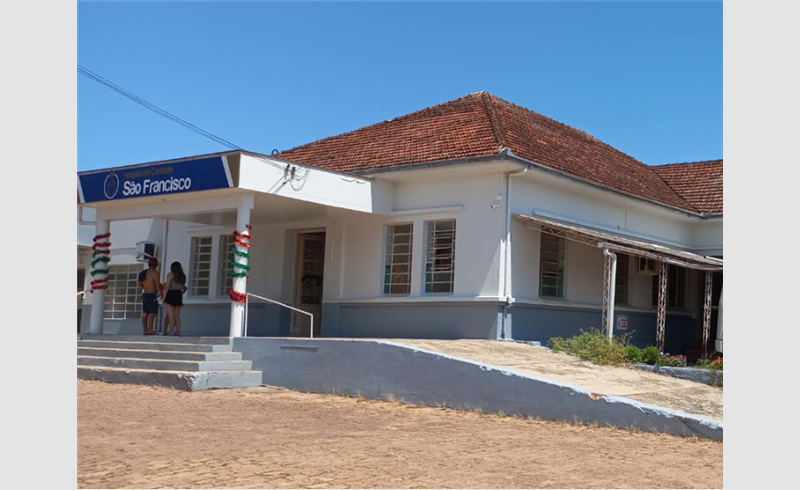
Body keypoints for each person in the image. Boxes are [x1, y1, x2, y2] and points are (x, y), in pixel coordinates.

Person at [137, 257, 162, 335]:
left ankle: (145, 330)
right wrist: (160, 292)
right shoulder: (155, 273)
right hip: (152, 294)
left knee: (145, 313)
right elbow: (157, 284)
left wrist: (144, 287)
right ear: (156, 265)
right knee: (153, 313)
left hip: (145, 294)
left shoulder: (144, 272)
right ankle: (151, 330)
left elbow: (138, 283)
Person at [162, 261, 188, 336]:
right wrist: (181, 293)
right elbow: (183, 287)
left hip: (170, 294)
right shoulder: (183, 276)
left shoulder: (170, 275)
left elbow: (167, 287)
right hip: (178, 294)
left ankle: (172, 331)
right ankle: (179, 331)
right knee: (177, 315)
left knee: (171, 314)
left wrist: (164, 297)